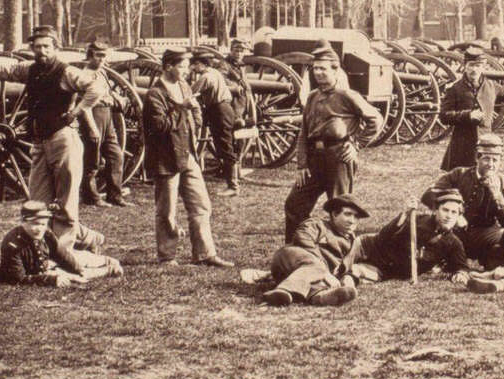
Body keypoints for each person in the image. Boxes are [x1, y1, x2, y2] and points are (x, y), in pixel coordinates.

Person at [0, 26, 107, 242]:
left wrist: (76, 112)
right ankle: (86, 239)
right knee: (37, 203)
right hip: (39, 143)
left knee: (65, 202)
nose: (42, 51)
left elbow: (96, 88)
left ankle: (63, 252)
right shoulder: (30, 69)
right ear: (32, 48)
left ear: (56, 48)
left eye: (46, 46)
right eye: (37, 47)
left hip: (63, 140)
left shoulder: (66, 72)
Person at [142, 48, 232, 268]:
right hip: (166, 158)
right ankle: (167, 256)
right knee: (166, 210)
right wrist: (181, 108)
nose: (187, 70)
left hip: (187, 154)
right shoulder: (155, 94)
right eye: (182, 66)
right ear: (168, 67)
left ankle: (204, 254)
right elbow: (159, 126)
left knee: (201, 204)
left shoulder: (183, 86)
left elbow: (194, 113)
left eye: (187, 65)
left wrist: (194, 119)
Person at [284, 46, 385, 238]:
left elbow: (376, 119)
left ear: (335, 69)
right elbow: (304, 133)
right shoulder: (312, 96)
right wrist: (302, 164)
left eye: (323, 68)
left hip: (338, 158)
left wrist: (356, 145)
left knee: (341, 209)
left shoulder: (347, 95)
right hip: (314, 159)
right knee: (294, 205)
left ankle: (341, 253)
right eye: (315, 68)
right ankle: (296, 249)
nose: (318, 73)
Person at [245, 194, 368, 306]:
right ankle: (283, 290)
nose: (352, 220)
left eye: (356, 217)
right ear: (334, 214)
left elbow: (347, 267)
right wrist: (325, 272)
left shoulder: (352, 242)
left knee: (320, 283)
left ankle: (320, 298)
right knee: (316, 267)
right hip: (289, 260)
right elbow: (302, 238)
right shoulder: (318, 224)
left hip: (305, 277)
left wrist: (346, 278)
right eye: (347, 214)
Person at [437, 45, 504, 171]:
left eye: (477, 66)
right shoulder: (454, 89)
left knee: (486, 180)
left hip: (485, 146)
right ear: (465, 66)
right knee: (461, 184)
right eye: (471, 65)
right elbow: (444, 116)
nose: (474, 69)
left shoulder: (491, 86)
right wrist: (467, 115)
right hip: (462, 148)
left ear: (483, 67)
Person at [425, 132, 504, 267]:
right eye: (486, 159)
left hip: (486, 233)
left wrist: (497, 195)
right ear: (477, 158)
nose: (491, 164)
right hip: (455, 229)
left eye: (495, 160)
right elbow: (429, 194)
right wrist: (455, 214)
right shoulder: (458, 174)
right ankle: (447, 261)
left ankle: (484, 261)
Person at [0, 200, 122, 286]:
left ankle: (107, 262)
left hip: (49, 266)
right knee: (73, 277)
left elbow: (61, 254)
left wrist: (78, 270)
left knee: (78, 266)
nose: (38, 229)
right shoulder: (12, 244)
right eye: (34, 224)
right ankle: (109, 269)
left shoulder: (46, 233)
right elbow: (18, 279)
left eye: (42, 224)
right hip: (40, 272)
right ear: (23, 223)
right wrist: (51, 280)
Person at [356, 190, 471, 282]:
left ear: (459, 216)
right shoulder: (415, 220)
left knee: (353, 273)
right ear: (435, 210)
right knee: (341, 263)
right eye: (445, 210)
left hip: (383, 270)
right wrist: (405, 214)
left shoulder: (453, 243)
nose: (449, 216)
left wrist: (461, 274)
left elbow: (462, 266)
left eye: (454, 212)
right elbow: (383, 236)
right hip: (367, 247)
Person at [80, 40, 128, 208]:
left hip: (107, 115)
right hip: (93, 114)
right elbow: (84, 106)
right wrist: (92, 128)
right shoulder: (85, 75)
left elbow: (108, 91)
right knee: (92, 159)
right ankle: (91, 197)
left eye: (104, 56)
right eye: (98, 55)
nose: (101, 59)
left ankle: (115, 195)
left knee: (116, 156)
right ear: (90, 56)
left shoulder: (102, 73)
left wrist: (118, 98)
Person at [190, 50, 241, 195]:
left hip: (218, 112)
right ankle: (233, 184)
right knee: (227, 146)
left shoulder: (205, 77)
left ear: (202, 64)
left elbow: (189, 93)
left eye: (195, 64)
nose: (194, 67)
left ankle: (233, 187)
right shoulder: (215, 73)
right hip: (226, 109)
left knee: (225, 147)